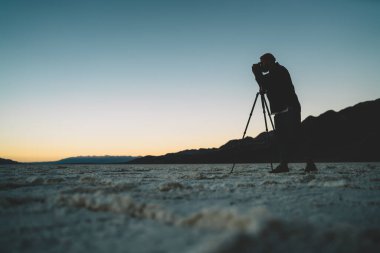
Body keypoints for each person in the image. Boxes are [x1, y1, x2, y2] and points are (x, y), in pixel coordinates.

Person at [252, 53, 317, 173]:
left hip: (289, 108)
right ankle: (284, 165)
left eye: (263, 62)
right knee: (281, 138)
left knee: (295, 135)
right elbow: (265, 86)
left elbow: (265, 82)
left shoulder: (279, 71)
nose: (261, 65)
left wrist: (256, 72)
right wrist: (259, 76)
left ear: (270, 61)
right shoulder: (273, 73)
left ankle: (310, 163)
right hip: (280, 110)